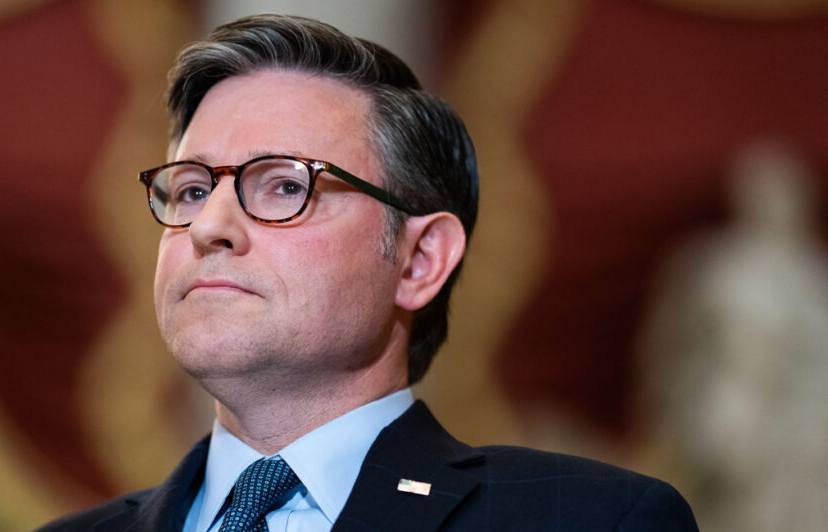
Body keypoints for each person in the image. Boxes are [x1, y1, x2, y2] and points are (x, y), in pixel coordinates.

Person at [38, 14, 697, 532]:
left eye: (282, 186)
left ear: (418, 261)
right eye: (189, 190)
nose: (209, 226)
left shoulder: (588, 522)